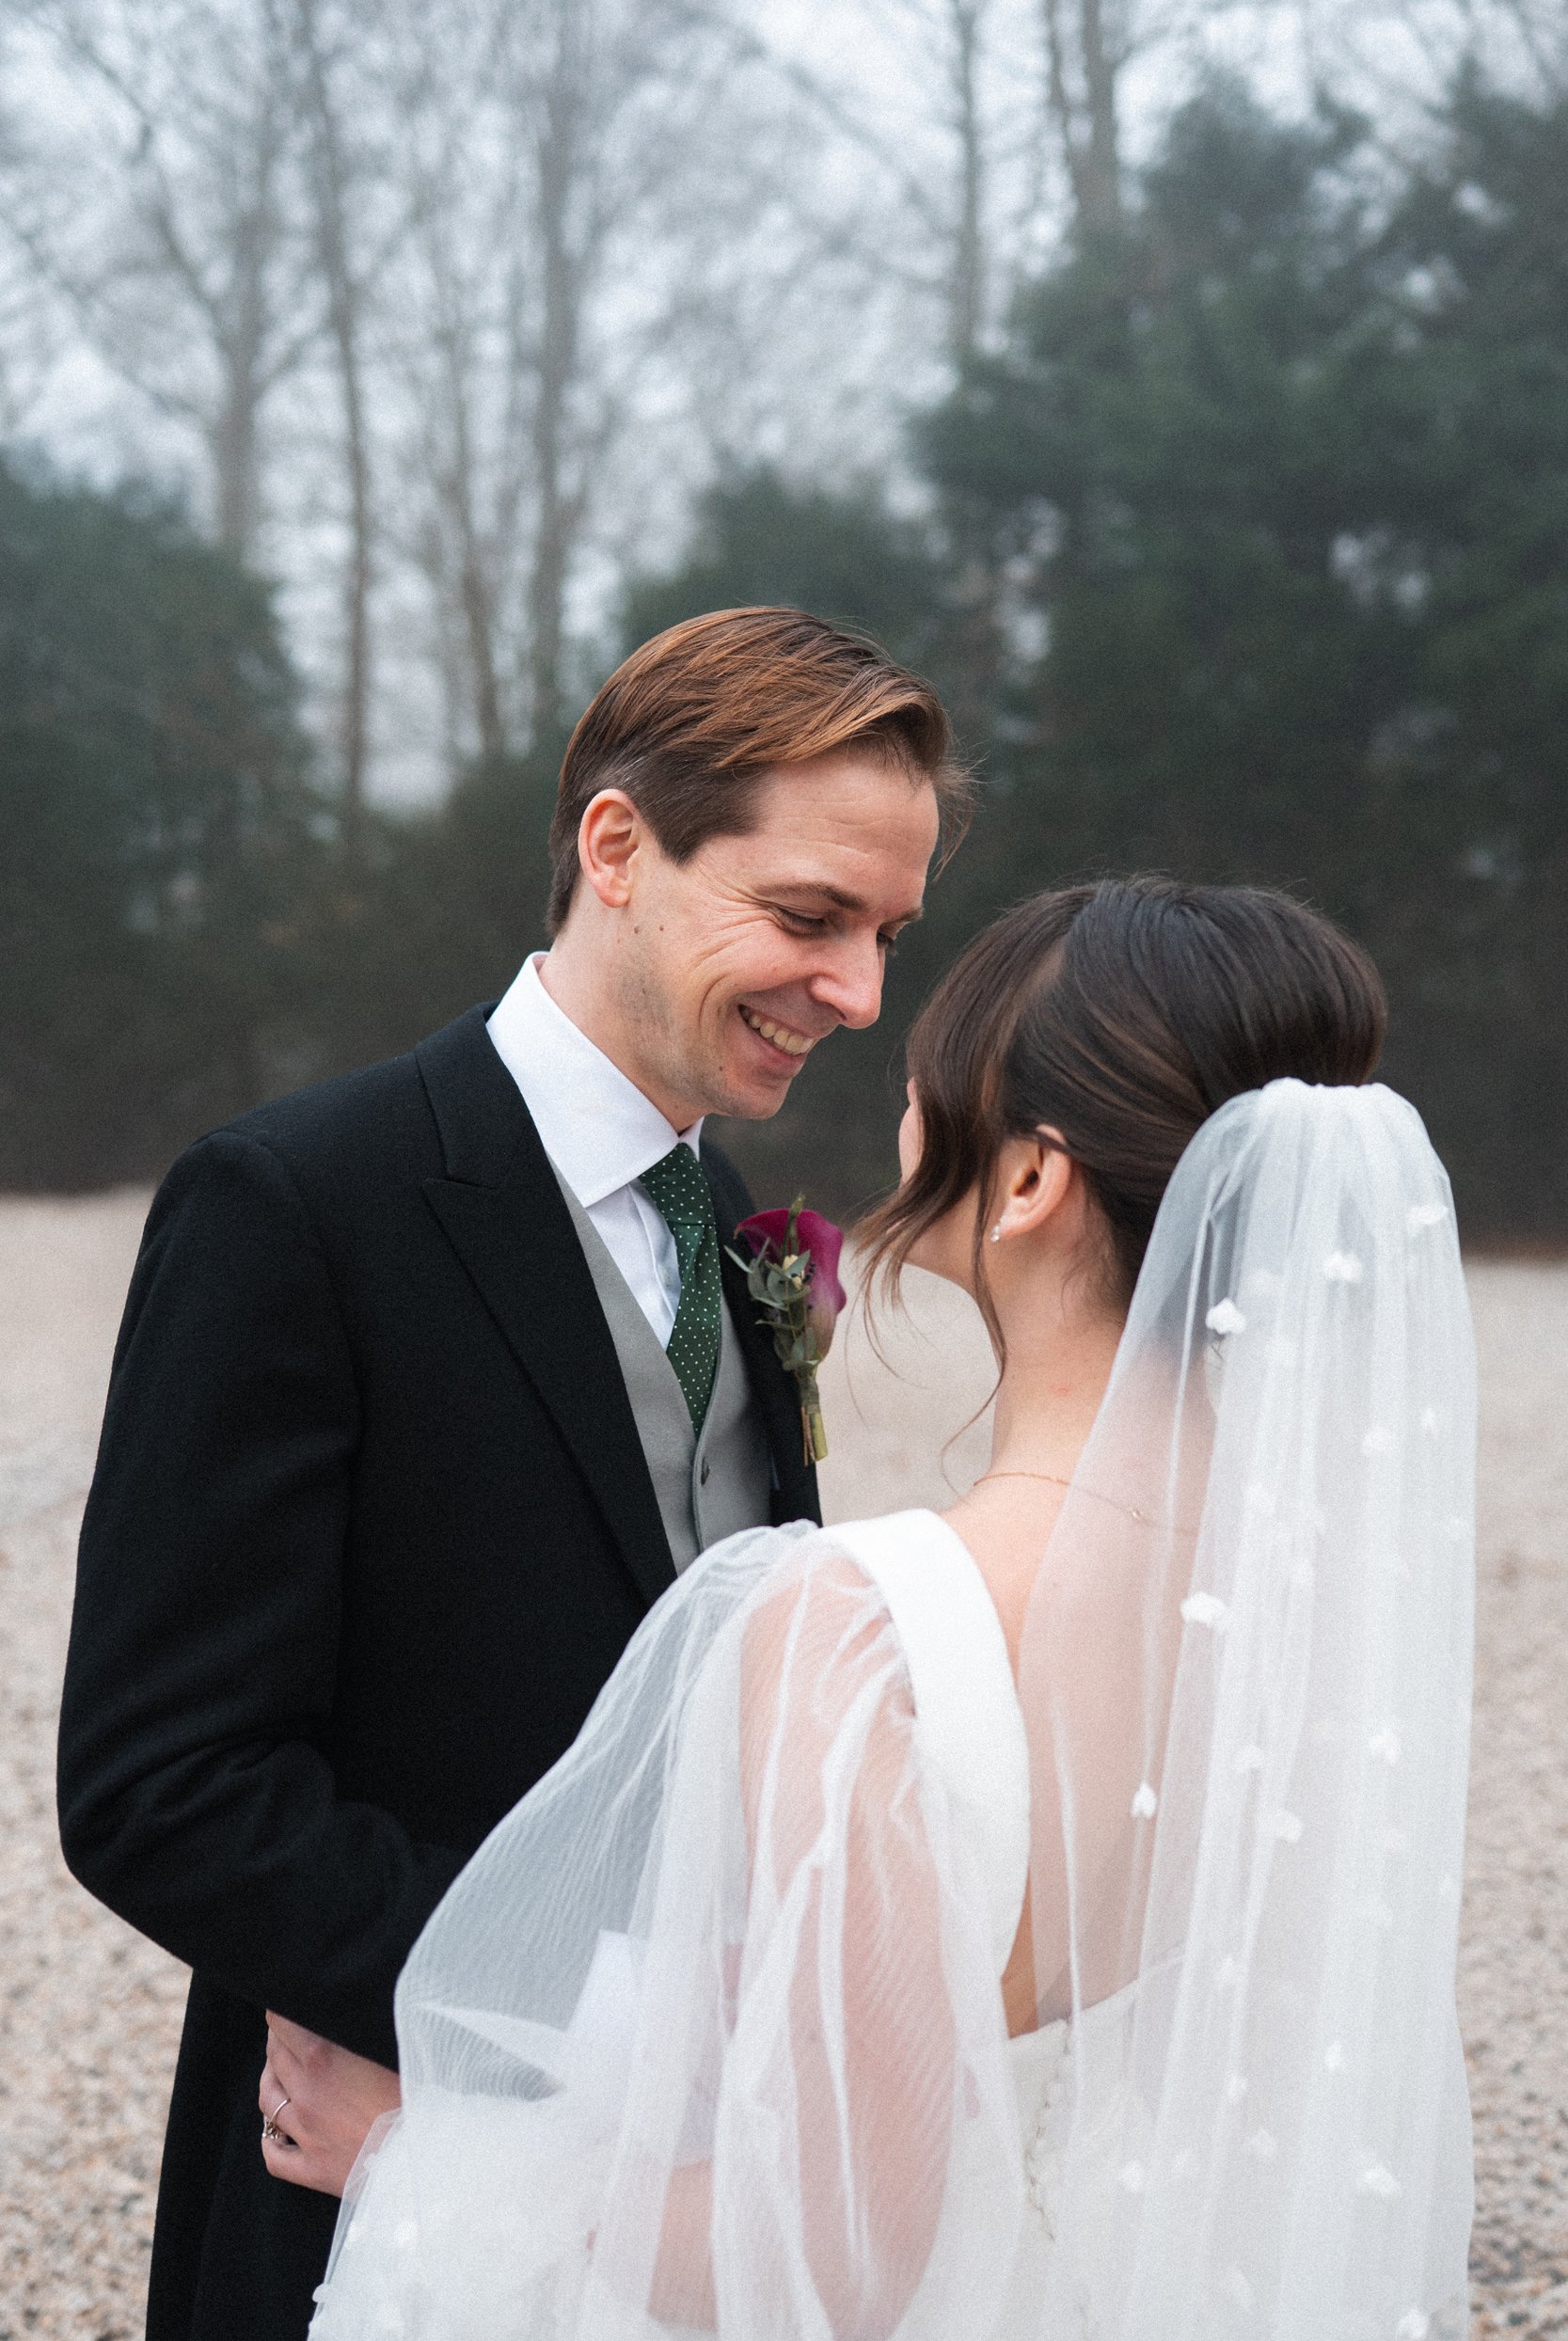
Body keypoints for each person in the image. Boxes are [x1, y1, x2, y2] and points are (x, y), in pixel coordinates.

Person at [304, 876, 1476, 2341]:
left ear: (1035, 1181)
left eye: (940, 1055)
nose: (897, 1075)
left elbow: (832, 2250)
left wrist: (417, 2162)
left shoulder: (867, 1631)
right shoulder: (1323, 1611)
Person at [56, 606, 970, 2341]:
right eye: (808, 918)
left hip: (686, 2222)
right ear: (616, 848)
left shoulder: (739, 1241)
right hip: (363, 2195)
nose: (858, 995)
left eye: (886, 937)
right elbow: (158, 1783)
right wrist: (589, 2018)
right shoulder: (295, 1206)